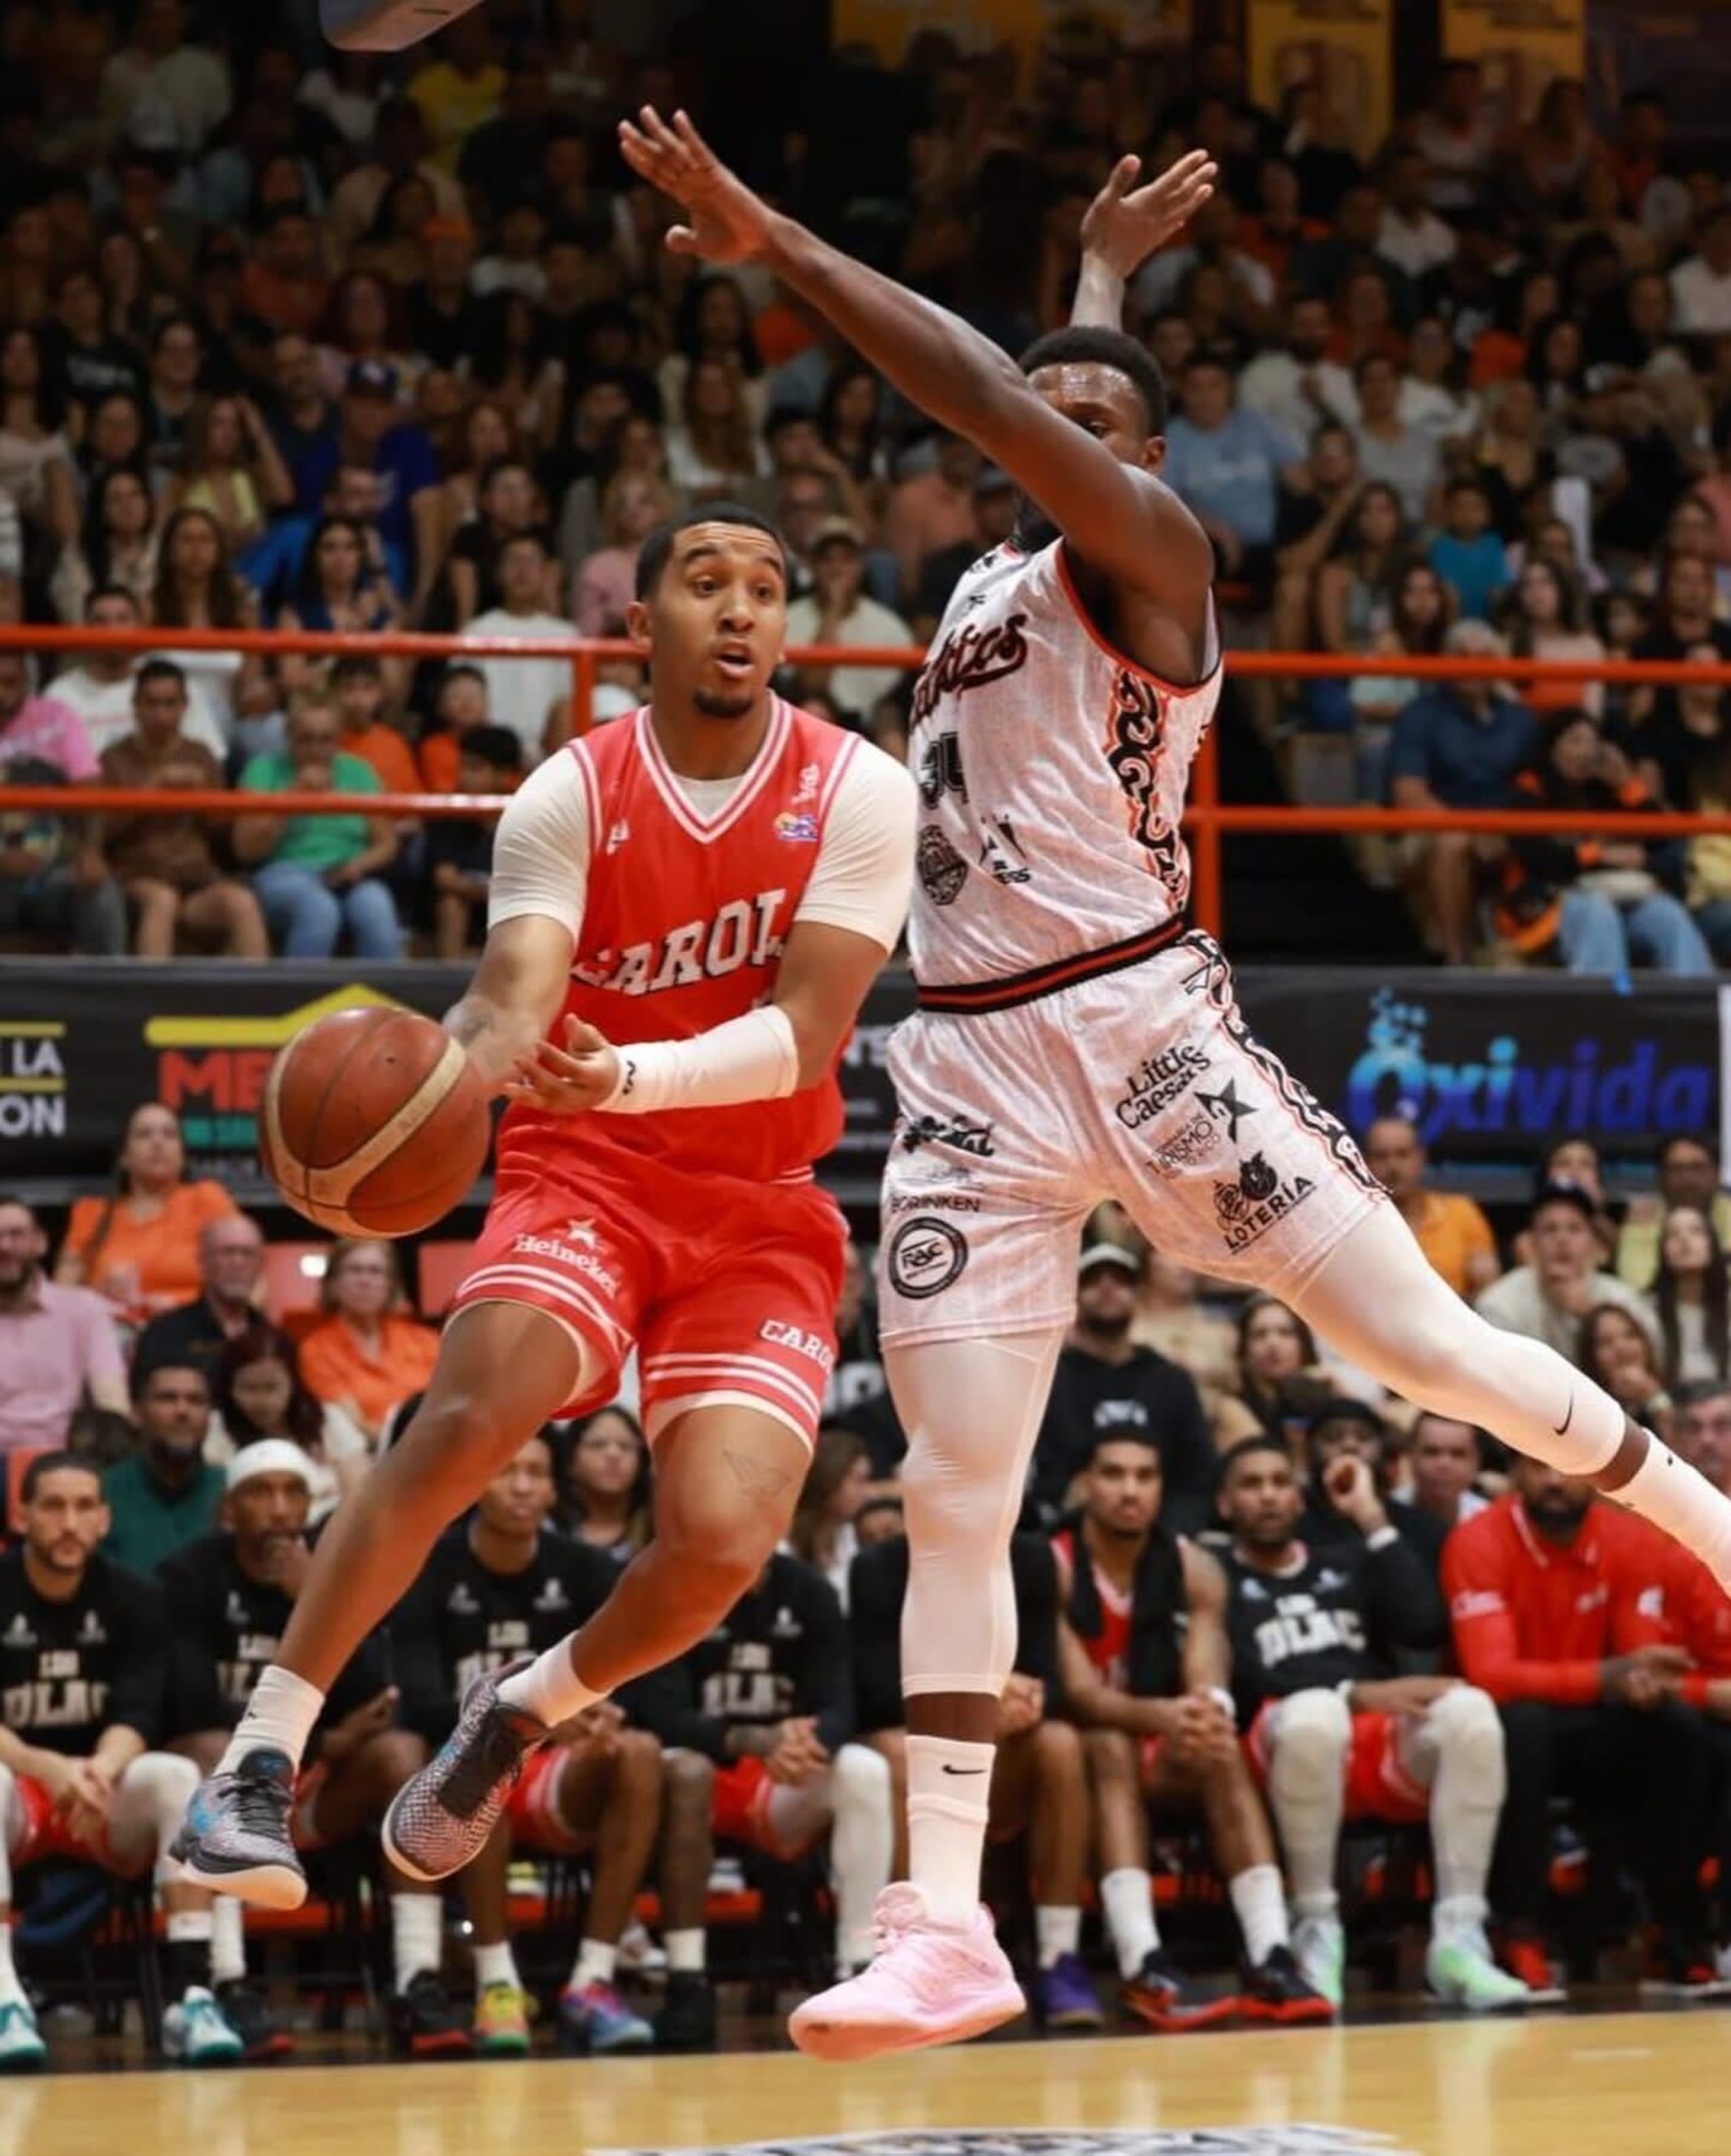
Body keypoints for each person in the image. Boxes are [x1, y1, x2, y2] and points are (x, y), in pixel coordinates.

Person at [596, 120, 1731, 2056]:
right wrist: (1102, 282)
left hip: (1140, 1026)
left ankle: (1714, 1524)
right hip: (968, 1058)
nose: (1065, 424)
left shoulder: (1159, 551)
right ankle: (942, 1919)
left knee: (1432, 1351)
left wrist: (780, 237)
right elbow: (1042, 396)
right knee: (951, 1493)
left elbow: (1007, 397)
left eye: (1103, 411)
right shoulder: (991, 580)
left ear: (1147, 457)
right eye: (1056, 403)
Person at [172, 494, 916, 1942]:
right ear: (639, 622)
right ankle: (259, 1756)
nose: (741, 607)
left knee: (721, 1535)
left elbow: (807, 1035)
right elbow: (513, 999)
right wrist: (447, 1077)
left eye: (765, 585)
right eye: (705, 582)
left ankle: (517, 1712)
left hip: (759, 1202)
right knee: (464, 1415)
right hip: (584, 1168)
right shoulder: (570, 788)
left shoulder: (860, 789)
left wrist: (628, 1066)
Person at [392, 1433, 709, 2055]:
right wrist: (534, 1713)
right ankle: (496, 1983)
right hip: (464, 1766)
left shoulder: (586, 1569)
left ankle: (592, 1981)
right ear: (474, 1483)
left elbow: (641, 1687)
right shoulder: (430, 1568)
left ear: (554, 1489)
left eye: (536, 1472)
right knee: (483, 1755)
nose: (522, 1485)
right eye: (507, 1469)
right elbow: (418, 1701)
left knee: (641, 1751)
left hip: (561, 1771)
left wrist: (595, 1718)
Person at [160, 1441, 469, 2059]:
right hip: (231, 1783)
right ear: (229, 1507)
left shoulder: (331, 1571)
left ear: (310, 1503)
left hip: (314, 1792)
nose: (278, 1508)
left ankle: (417, 1978)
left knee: (402, 1753)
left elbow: (380, 1693)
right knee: (213, 1748)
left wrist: (316, 1599)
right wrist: (328, 1737)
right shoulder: (187, 1576)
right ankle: (228, 1982)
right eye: (260, 1492)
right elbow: (187, 1703)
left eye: (291, 1493)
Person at [1216, 1435, 1527, 2011]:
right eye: (1251, 1485)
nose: (1268, 1497)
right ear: (1225, 1501)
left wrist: (1370, 1514)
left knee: (1471, 1712)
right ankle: (1315, 1927)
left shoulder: (1344, 1558)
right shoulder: (1213, 1573)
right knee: (1317, 1712)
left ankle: (1459, 1939)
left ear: (1300, 1497)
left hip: (1367, 1744)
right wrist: (1353, 1691)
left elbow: (1424, 1624)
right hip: (1273, 1747)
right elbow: (1238, 1681)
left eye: (1280, 1483)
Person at [1052, 1429, 1329, 2028]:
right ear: (1085, 1485)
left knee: (1218, 1745)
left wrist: (1206, 1710)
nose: (1130, 1490)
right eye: (1114, 1474)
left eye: (1145, 1476)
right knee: (1105, 1743)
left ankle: (1270, 1954)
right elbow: (1078, 1696)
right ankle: (1140, 1961)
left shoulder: (1193, 1565)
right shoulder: (1052, 1561)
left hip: (1153, 1738)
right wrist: (1168, 1715)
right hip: (1070, 1754)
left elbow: (1206, 1672)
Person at [0, 1453, 243, 2070]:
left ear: (106, 1519)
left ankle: (192, 1997)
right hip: (19, 1793)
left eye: (85, 1507)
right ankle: (7, 2002)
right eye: (53, 1506)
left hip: (102, 1793)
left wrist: (100, 1772)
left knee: (176, 1776)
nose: (69, 1522)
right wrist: (49, 1768)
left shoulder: (135, 1595)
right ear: (21, 1514)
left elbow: (139, 1708)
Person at [1442, 1457, 1718, 1994]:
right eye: (1538, 1467)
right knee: (1521, 1727)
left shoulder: (1627, 1537)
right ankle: (1517, 1930)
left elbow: (1635, 1651)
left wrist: (1640, 1679)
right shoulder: (1477, 1540)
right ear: (1516, 1472)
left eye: (1566, 1469)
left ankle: (1678, 1933)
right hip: (1508, 1724)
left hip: (1593, 1721)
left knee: (1678, 1728)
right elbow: (1492, 1675)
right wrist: (1607, 1676)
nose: (1554, 1481)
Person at [850, 1523, 1099, 2032]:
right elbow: (873, 1699)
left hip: (998, 1755)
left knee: (1061, 1743)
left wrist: (1021, 1701)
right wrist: (979, 1699)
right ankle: (915, 1956)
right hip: (923, 1752)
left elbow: (1043, 1680)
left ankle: (1059, 1957)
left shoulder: (1031, 1559)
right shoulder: (879, 1568)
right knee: (892, 1751)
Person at [1030, 1243, 1216, 1531]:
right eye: (1092, 1280)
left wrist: (1170, 1539)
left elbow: (1196, 1475)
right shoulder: (1048, 1380)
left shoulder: (1172, 1380)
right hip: (1065, 1534)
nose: (1107, 1287)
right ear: (1073, 1297)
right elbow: (1039, 1473)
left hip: (1162, 1537)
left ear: (1139, 1296)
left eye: (1120, 1280)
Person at [96, 661, 268, 961]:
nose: (161, 714)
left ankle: (260, 1005)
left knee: (241, 902)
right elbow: (100, 831)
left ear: (184, 707)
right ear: (135, 706)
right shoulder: (113, 759)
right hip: (137, 878)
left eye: (170, 704)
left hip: (196, 879)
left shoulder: (200, 756)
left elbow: (223, 831)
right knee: (162, 901)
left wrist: (204, 797)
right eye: (152, 703)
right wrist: (150, 792)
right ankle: (153, 1004)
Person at [233, 697, 404, 961]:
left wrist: (358, 865)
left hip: (348, 871)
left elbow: (386, 843)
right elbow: (245, 849)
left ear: (338, 739)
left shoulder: (358, 772)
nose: (316, 749)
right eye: (306, 739)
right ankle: (300, 998)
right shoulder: (264, 769)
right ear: (289, 737)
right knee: (319, 908)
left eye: (326, 740)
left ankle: (384, 1000)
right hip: (284, 871)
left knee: (376, 907)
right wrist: (293, 798)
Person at [57, 1101, 239, 1325]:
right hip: (115, 1333)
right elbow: (61, 1299)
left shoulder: (208, 1199)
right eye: (144, 1135)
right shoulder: (92, 1211)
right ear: (124, 1156)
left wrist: (186, 1312)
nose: (158, 1142)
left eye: (169, 1134)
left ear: (182, 1154)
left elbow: (248, 1278)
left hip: (194, 1331)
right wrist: (100, 1293)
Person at [0, 1195, 128, 1454]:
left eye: (16, 1235)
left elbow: (111, 1399)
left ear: (41, 1243)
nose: (4, 1246)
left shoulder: (84, 1309)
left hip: (69, 1457)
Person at [1477, 1182, 1658, 1360]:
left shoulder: (1621, 1300)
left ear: (1594, 1243)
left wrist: (1588, 1316)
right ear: (1532, 1243)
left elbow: (1655, 1359)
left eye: (1574, 1229)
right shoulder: (1501, 1304)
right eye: (1550, 1230)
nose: (1562, 1239)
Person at [296, 1239, 440, 1447]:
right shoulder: (316, 1350)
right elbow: (353, 1427)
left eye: (376, 1272)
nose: (365, 1281)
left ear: (391, 1284)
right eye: (355, 1270)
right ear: (333, 1283)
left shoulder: (426, 1341)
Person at [101, 1362, 224, 1574]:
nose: (182, 1411)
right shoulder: (103, 1492)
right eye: (167, 1398)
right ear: (137, 1413)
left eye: (195, 1400)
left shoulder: (231, 1490)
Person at [1361, 1116, 1500, 1301]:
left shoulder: (1460, 1212)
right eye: (1381, 1156)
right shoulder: (1356, 1224)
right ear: (1365, 1163)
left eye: (1402, 1154)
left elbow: (1491, 1292)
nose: (1392, 1166)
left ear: (1421, 1157)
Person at [133, 1213, 266, 1387]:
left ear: (261, 1264)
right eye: (227, 1252)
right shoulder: (164, 1334)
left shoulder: (271, 1337)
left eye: (248, 1253)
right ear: (203, 1261)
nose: (238, 1262)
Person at [1615, 1134, 1731, 1291]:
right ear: (1660, 1178)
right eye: (1677, 1169)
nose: (1688, 1178)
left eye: (1698, 1168)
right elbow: (1636, 1285)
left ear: (1717, 1175)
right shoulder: (1644, 1217)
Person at [559, 1406, 654, 1564]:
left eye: (625, 1446)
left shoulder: (660, 1533)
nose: (613, 1454)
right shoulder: (547, 1527)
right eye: (598, 1444)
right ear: (570, 1460)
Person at [1653, 1206, 1731, 1388]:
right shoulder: (1645, 1311)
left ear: (1713, 1244)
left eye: (1696, 1231)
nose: (1684, 1239)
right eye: (1673, 1234)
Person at [1407, 1413, 1492, 1531]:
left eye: (1458, 1454)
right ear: (1411, 1458)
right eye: (1432, 1452)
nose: (1444, 1464)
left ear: (1476, 1462)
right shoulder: (1385, 1513)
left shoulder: (1490, 1523)